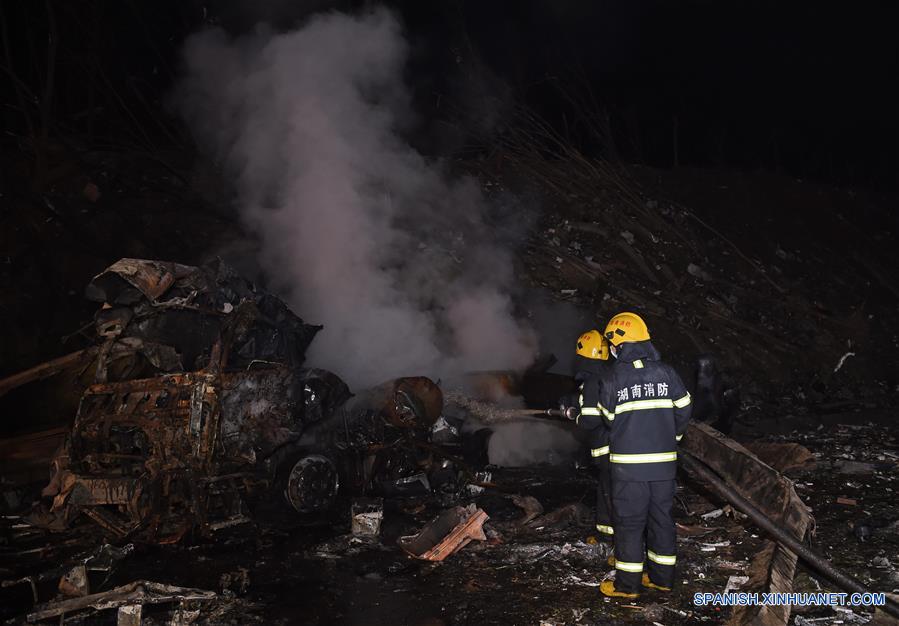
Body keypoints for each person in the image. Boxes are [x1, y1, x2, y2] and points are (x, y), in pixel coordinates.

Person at [581, 312, 692, 599]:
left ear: (619, 344)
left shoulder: (612, 378)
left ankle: (627, 586)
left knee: (629, 525)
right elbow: (684, 408)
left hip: (629, 471)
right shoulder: (667, 373)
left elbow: (606, 418)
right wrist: (673, 437)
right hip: (665, 468)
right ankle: (662, 579)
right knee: (661, 521)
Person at [564, 330, 615, 544]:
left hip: (608, 449)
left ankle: (611, 539)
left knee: (610, 495)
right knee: (608, 493)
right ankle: (607, 535)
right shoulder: (607, 376)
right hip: (617, 449)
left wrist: (574, 415)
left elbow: (590, 421)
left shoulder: (593, 382)